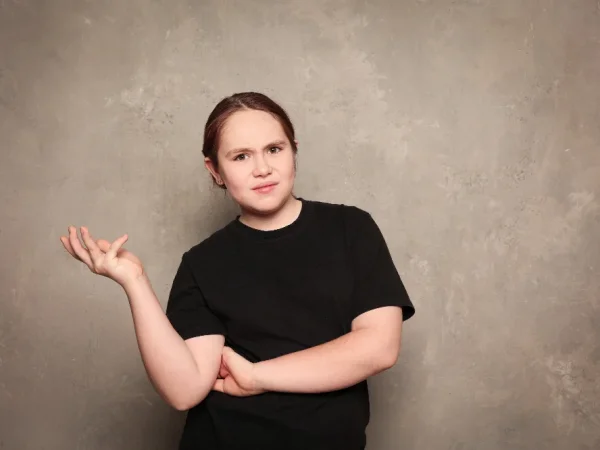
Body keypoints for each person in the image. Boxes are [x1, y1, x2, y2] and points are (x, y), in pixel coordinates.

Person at [60, 92, 415, 450]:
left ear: (294, 151)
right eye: (241, 156)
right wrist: (134, 282)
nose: (262, 168)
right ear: (215, 170)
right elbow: (184, 391)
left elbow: (379, 347)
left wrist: (256, 376)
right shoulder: (201, 263)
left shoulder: (350, 229)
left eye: (274, 149)